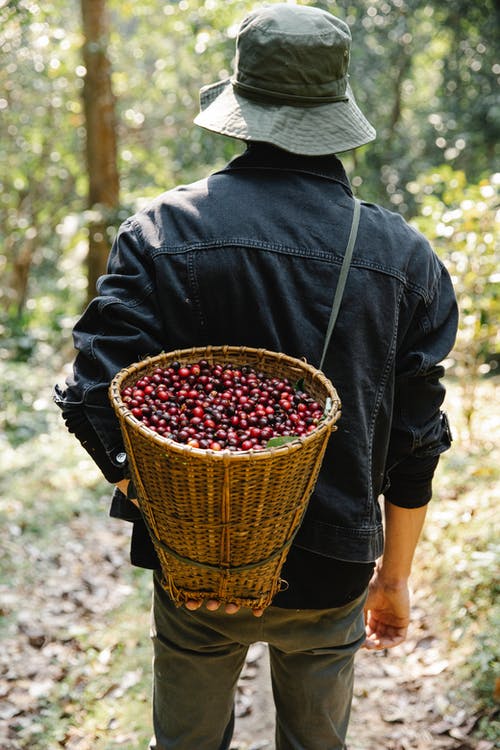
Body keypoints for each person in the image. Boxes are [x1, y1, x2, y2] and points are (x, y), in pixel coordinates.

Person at [55, 4, 458, 749]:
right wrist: (394, 581)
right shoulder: (404, 259)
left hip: (195, 567)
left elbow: (91, 394)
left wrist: (167, 504)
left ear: (239, 110)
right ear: (338, 113)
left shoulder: (162, 232)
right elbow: (417, 440)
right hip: (335, 562)